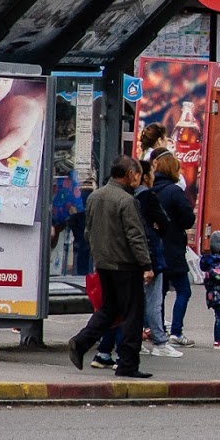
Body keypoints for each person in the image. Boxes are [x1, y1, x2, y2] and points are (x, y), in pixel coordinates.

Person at [68, 156, 156, 379]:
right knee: (132, 315)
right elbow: (135, 236)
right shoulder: (127, 201)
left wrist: (99, 255)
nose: (138, 178)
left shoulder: (95, 196)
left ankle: (80, 342)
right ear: (129, 174)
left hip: (104, 263)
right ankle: (128, 363)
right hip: (125, 265)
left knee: (109, 309)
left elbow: (89, 231)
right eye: (136, 174)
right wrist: (146, 264)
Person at [152, 151, 197, 344]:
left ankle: (157, 329)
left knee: (158, 294)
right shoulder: (174, 192)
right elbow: (188, 219)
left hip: (156, 247)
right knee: (184, 290)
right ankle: (176, 331)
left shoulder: (151, 190)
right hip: (173, 248)